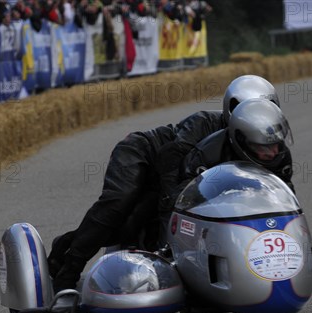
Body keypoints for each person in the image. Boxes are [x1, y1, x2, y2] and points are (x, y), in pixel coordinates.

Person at [48, 75, 288, 293]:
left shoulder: (270, 149)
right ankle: (69, 272)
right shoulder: (203, 125)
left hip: (174, 175)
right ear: (231, 110)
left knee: (131, 227)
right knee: (119, 204)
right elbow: (169, 162)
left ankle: (67, 243)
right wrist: (170, 222)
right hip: (145, 153)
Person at [175, 98, 294, 214]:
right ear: (242, 140)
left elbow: (286, 198)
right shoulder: (208, 156)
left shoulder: (281, 155)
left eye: (275, 144)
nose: (273, 153)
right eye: (263, 147)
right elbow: (184, 202)